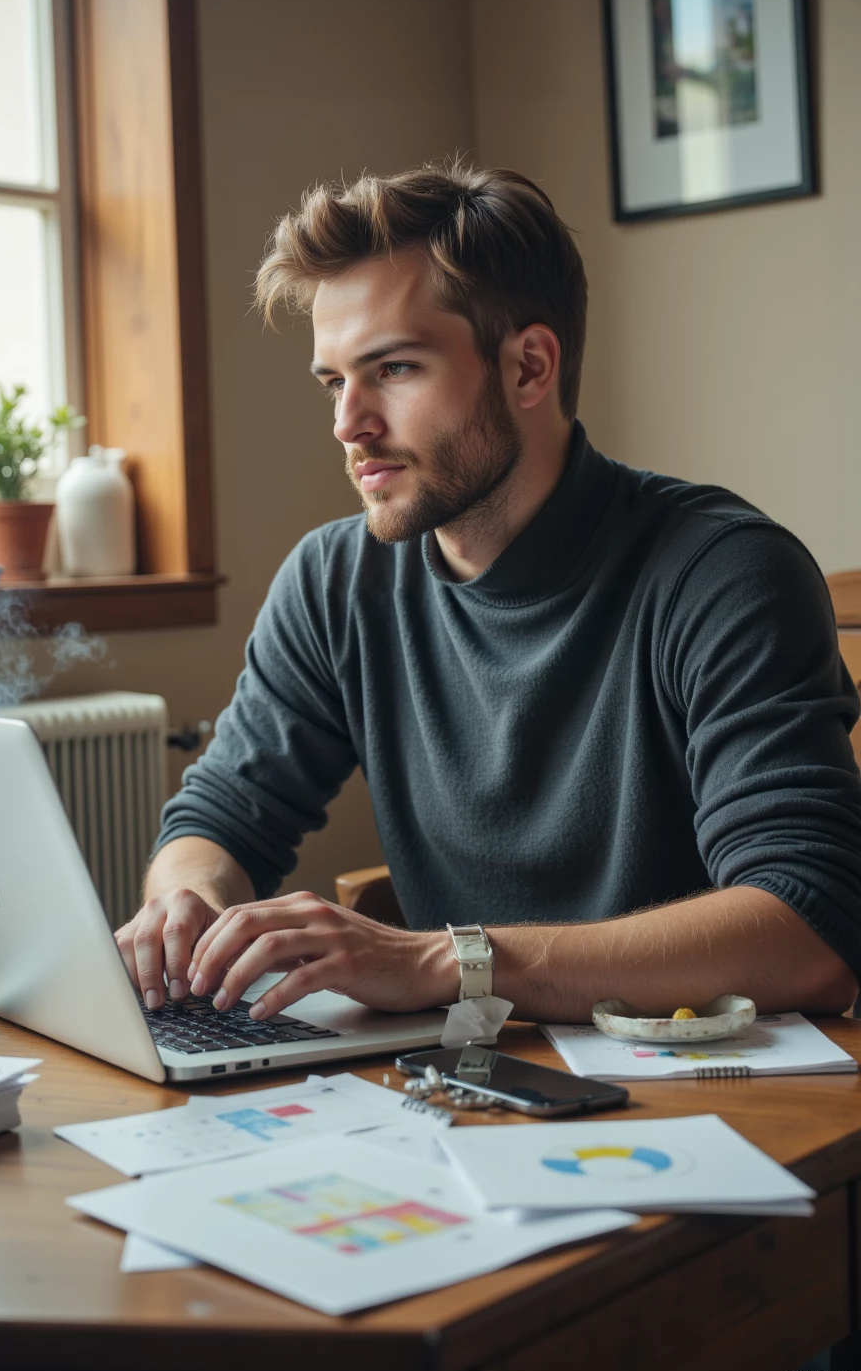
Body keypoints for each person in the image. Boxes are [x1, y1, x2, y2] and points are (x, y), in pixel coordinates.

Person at [115, 162, 861, 1025]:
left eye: (392, 369)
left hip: (698, 1093)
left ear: (529, 368)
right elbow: (220, 817)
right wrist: (185, 900)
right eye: (334, 381)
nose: (347, 423)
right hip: (465, 1083)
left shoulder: (724, 573)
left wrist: (446, 959)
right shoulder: (334, 582)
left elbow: (811, 928)